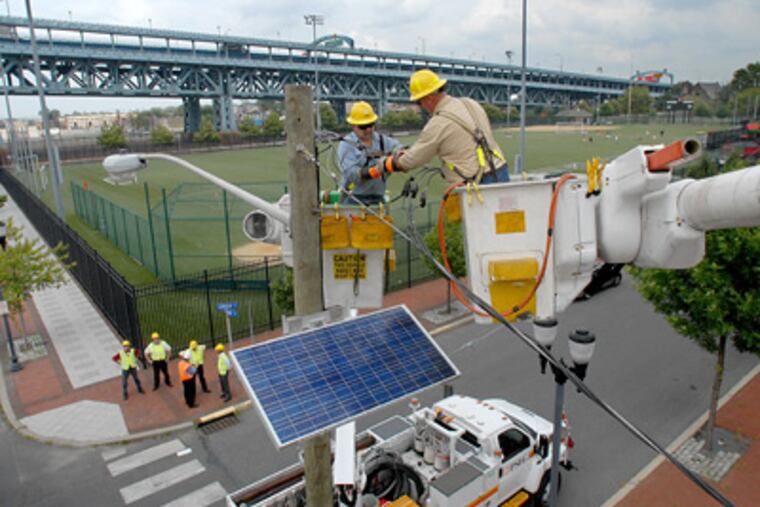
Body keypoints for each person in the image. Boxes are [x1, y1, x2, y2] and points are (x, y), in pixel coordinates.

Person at [365, 69, 509, 186]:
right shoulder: (470, 103)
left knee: (475, 222)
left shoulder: (438, 123)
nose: (420, 107)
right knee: (504, 221)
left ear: (427, 97)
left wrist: (388, 164)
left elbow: (412, 160)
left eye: (419, 102)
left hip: (476, 184)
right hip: (500, 172)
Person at [337, 101, 403, 205]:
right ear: (353, 125)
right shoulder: (346, 145)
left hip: (378, 199)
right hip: (353, 199)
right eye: (363, 126)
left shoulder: (382, 141)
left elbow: (399, 149)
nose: (368, 130)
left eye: (371, 125)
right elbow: (352, 174)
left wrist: (399, 157)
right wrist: (377, 170)